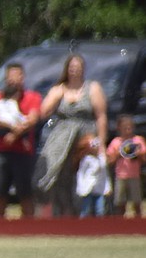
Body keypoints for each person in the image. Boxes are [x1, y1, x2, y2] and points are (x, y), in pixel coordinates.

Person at [34, 54, 108, 217]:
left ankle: (87, 212)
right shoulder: (60, 89)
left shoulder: (92, 87)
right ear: (67, 69)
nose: (75, 70)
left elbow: (101, 116)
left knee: (86, 174)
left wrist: (101, 141)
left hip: (86, 136)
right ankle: (61, 212)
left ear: (83, 69)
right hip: (62, 136)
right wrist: (56, 94)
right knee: (57, 173)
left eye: (78, 67)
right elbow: (44, 111)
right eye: (71, 67)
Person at [0, 63, 42, 218]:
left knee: (25, 194)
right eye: (10, 77)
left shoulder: (32, 97)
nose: (14, 81)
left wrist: (15, 135)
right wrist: (14, 127)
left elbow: (33, 119)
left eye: (17, 76)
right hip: (1, 152)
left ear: (23, 78)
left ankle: (28, 227)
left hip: (23, 153)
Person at [105, 114, 146, 217]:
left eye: (130, 128)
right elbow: (109, 160)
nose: (128, 130)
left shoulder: (138, 140)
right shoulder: (116, 142)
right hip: (120, 176)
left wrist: (138, 154)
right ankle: (120, 223)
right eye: (125, 128)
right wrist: (119, 154)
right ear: (119, 128)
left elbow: (144, 158)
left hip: (134, 175)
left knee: (137, 200)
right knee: (120, 201)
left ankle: (138, 220)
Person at [74, 135, 110, 217]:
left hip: (99, 188)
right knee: (86, 209)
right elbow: (81, 173)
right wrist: (80, 186)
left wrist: (107, 187)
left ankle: (100, 227)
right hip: (88, 188)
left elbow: (105, 175)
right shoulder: (86, 159)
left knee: (100, 209)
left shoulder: (102, 159)